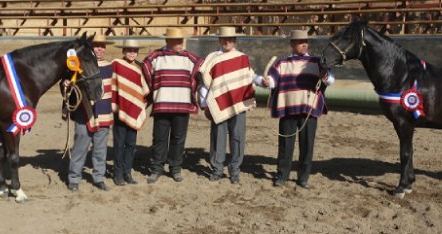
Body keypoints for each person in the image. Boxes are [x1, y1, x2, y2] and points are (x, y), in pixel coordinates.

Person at [258, 30, 335, 189]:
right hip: (288, 110)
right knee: (286, 145)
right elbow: (272, 80)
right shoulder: (282, 63)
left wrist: (326, 76)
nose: (304, 44)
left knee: (307, 145)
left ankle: (303, 177)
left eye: (306, 41)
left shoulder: (316, 62)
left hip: (309, 111)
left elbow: (331, 80)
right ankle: (282, 176)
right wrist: (267, 82)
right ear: (292, 44)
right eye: (300, 42)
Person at [142, 28, 203, 183]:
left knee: (178, 138)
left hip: (182, 105)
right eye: (176, 40)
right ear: (168, 41)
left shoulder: (189, 58)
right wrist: (155, 91)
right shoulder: (155, 57)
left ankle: (175, 168)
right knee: (159, 139)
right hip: (162, 104)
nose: (180, 43)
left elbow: (201, 70)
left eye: (181, 40)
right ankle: (157, 168)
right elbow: (146, 72)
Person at [198, 27, 256, 184]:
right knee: (218, 137)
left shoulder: (242, 58)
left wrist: (260, 82)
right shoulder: (212, 58)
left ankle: (235, 170)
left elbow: (249, 78)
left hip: (238, 104)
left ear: (235, 40)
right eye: (224, 38)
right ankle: (217, 169)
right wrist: (204, 105)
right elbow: (204, 84)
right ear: (219, 40)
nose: (227, 41)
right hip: (218, 104)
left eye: (230, 39)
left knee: (237, 137)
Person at [65, 33, 114, 192]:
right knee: (80, 146)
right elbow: (66, 85)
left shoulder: (110, 67)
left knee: (100, 149)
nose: (100, 49)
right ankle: (74, 177)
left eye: (102, 46)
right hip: (84, 113)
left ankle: (99, 177)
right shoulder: (78, 67)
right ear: (91, 48)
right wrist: (66, 84)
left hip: (104, 112)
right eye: (96, 46)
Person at [111, 39, 151, 186]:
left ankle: (127, 172)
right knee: (119, 143)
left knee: (131, 144)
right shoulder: (116, 64)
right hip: (119, 110)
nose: (132, 53)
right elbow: (110, 84)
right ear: (123, 51)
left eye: (134, 51)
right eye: (129, 50)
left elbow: (142, 90)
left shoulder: (139, 68)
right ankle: (118, 174)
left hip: (133, 110)